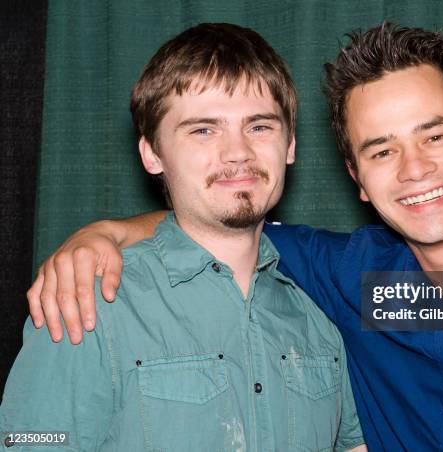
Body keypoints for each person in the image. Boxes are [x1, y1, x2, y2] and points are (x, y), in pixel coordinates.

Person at [24, 23, 443, 450]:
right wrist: (105, 232)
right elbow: (227, 215)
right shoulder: (352, 280)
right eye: (382, 150)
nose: (413, 169)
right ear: (356, 177)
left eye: (434, 136)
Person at [0, 23, 366, 452]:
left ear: (290, 146)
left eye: (260, 126)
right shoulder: (87, 303)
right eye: (203, 130)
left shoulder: (320, 312)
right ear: (152, 154)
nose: (238, 152)